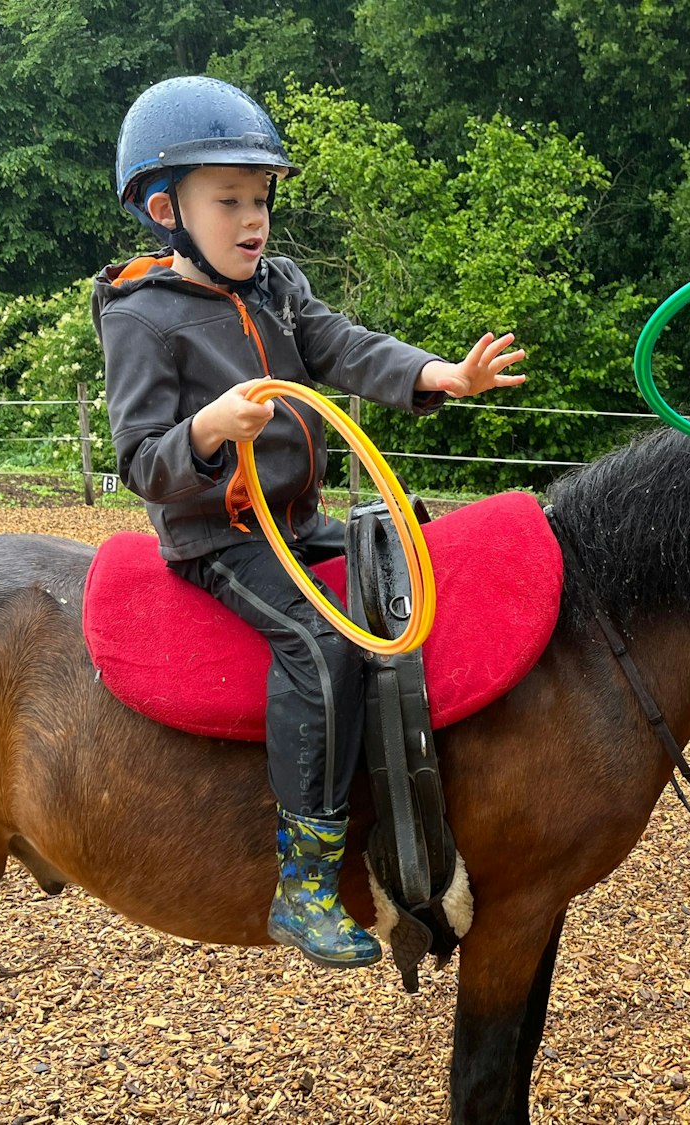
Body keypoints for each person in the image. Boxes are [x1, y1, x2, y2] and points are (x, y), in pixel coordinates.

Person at [93, 76, 527, 969]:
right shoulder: (142, 318)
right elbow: (141, 460)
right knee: (317, 649)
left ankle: (425, 814)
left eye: (260, 199)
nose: (253, 220)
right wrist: (210, 429)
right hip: (220, 538)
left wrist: (438, 374)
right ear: (167, 209)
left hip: (299, 520)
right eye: (230, 202)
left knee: (413, 561)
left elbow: (342, 346)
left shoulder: (278, 285)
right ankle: (305, 880)